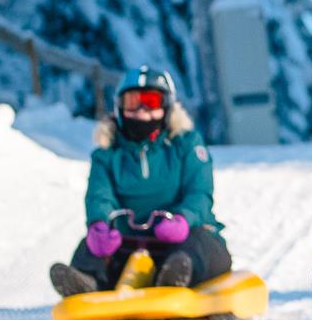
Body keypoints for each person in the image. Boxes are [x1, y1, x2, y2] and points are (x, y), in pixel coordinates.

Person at [49, 67, 232, 295]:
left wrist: (184, 218)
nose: (142, 110)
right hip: (129, 243)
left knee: (198, 246)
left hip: (181, 237)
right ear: (120, 107)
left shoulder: (186, 144)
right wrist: (99, 224)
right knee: (91, 247)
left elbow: (199, 192)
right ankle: (88, 281)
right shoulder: (107, 154)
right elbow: (100, 196)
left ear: (166, 106)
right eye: (133, 102)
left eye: (151, 102)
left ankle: (176, 275)